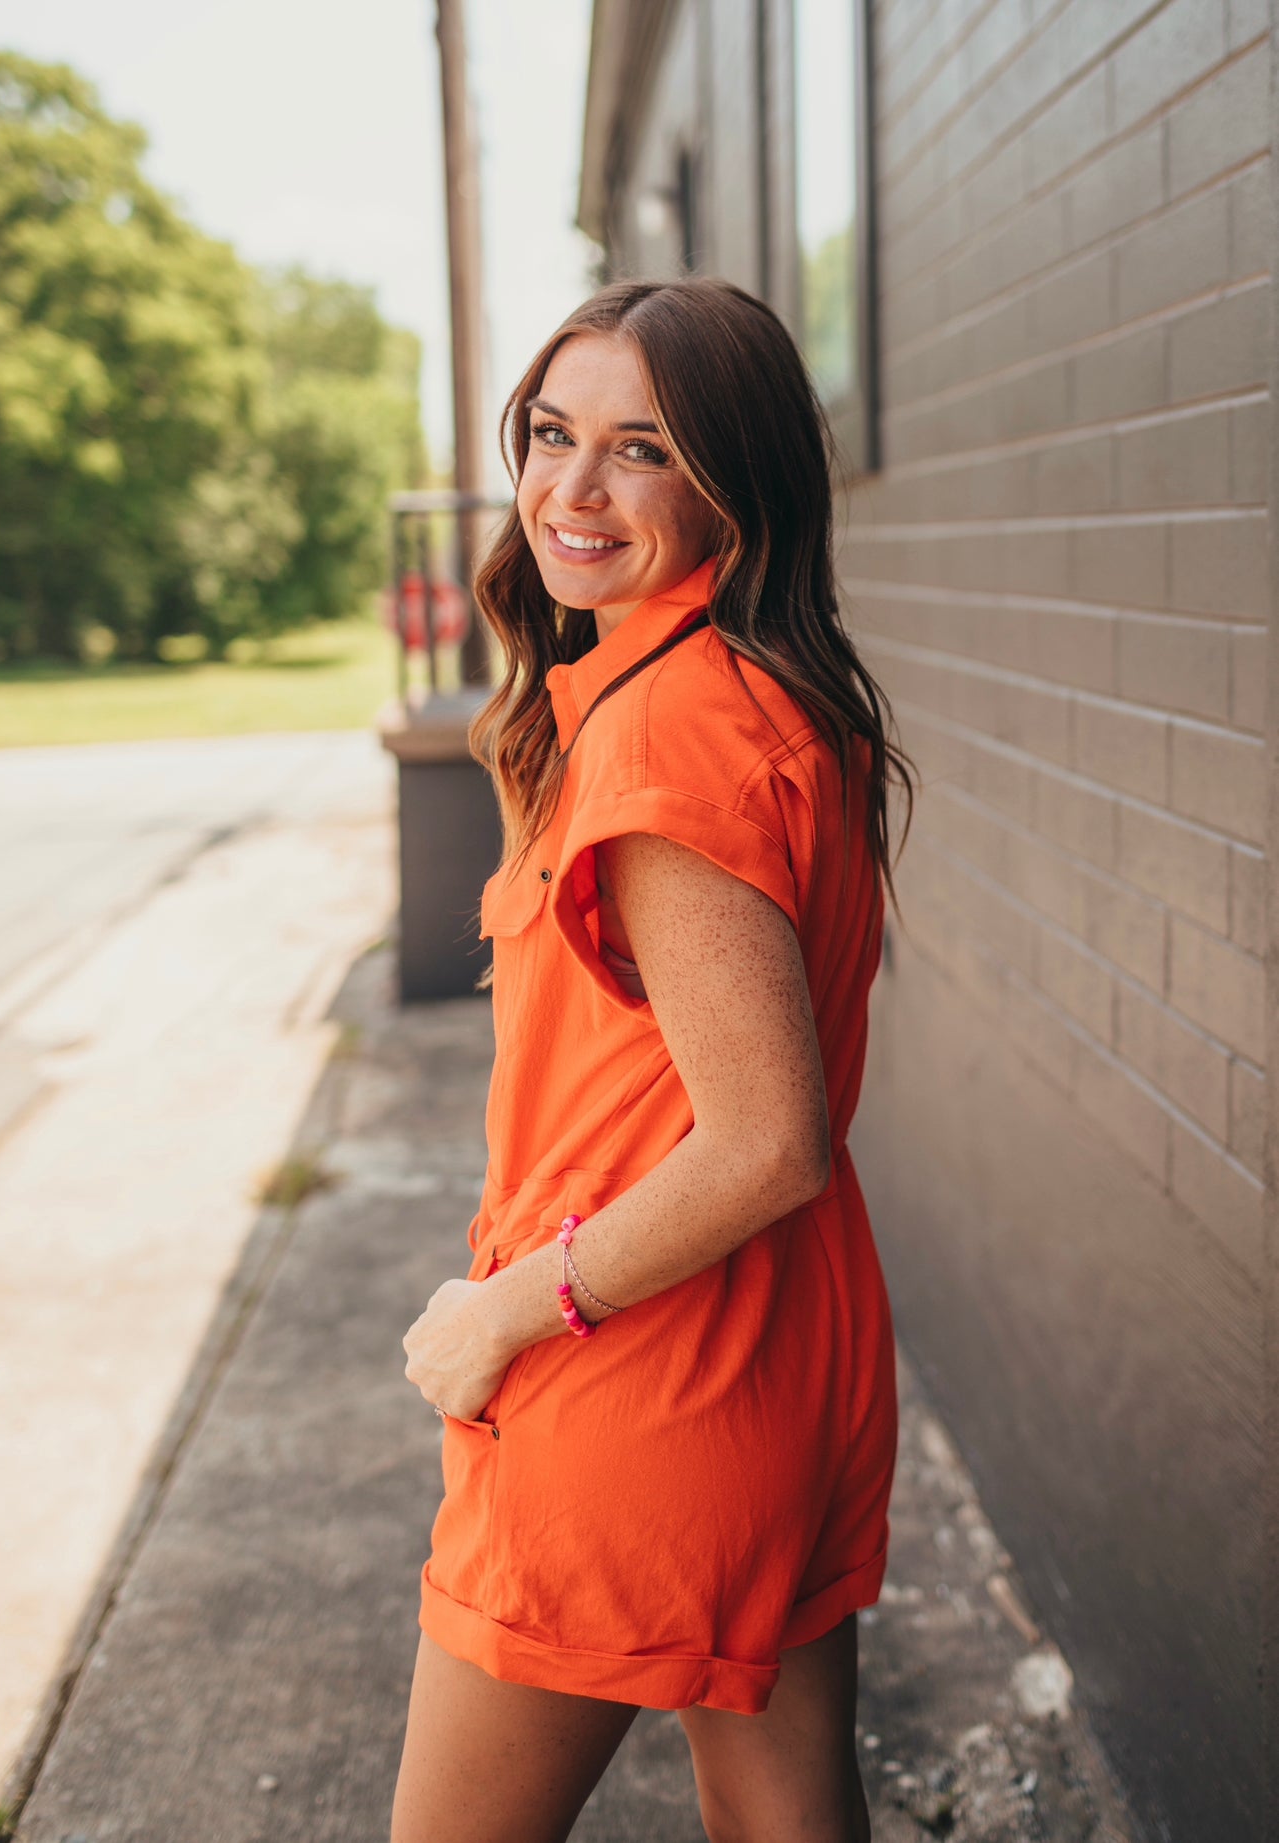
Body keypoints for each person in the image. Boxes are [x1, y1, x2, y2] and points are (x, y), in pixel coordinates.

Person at [394, 275, 915, 1843]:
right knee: (780, 1813)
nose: (571, 488)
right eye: (554, 435)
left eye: (643, 450)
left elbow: (765, 1141)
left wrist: (503, 1313)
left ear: (734, 485)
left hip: (637, 1377)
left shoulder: (666, 732)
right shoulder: (746, 689)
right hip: (782, 1356)